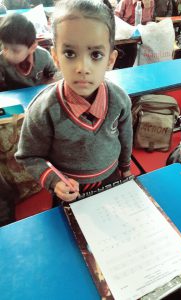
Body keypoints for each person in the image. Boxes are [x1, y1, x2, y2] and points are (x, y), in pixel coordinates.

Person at [15, 0, 133, 203]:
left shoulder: (119, 99)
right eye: (70, 53)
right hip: (69, 189)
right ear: (55, 57)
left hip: (111, 179)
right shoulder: (44, 109)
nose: (82, 67)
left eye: (96, 54)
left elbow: (125, 139)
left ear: (111, 60)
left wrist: (125, 168)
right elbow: (28, 156)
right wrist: (53, 181)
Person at [0, 13, 57, 91]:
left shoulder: (43, 56)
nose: (7, 54)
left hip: (38, 97)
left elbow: (56, 76)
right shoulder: (1, 61)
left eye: (14, 51)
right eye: (5, 47)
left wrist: (48, 84)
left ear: (32, 47)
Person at [114, 0, 155, 68]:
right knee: (124, 56)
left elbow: (147, 22)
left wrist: (147, 8)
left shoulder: (150, 2)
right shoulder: (125, 2)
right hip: (124, 35)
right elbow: (116, 18)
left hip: (139, 35)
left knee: (133, 56)